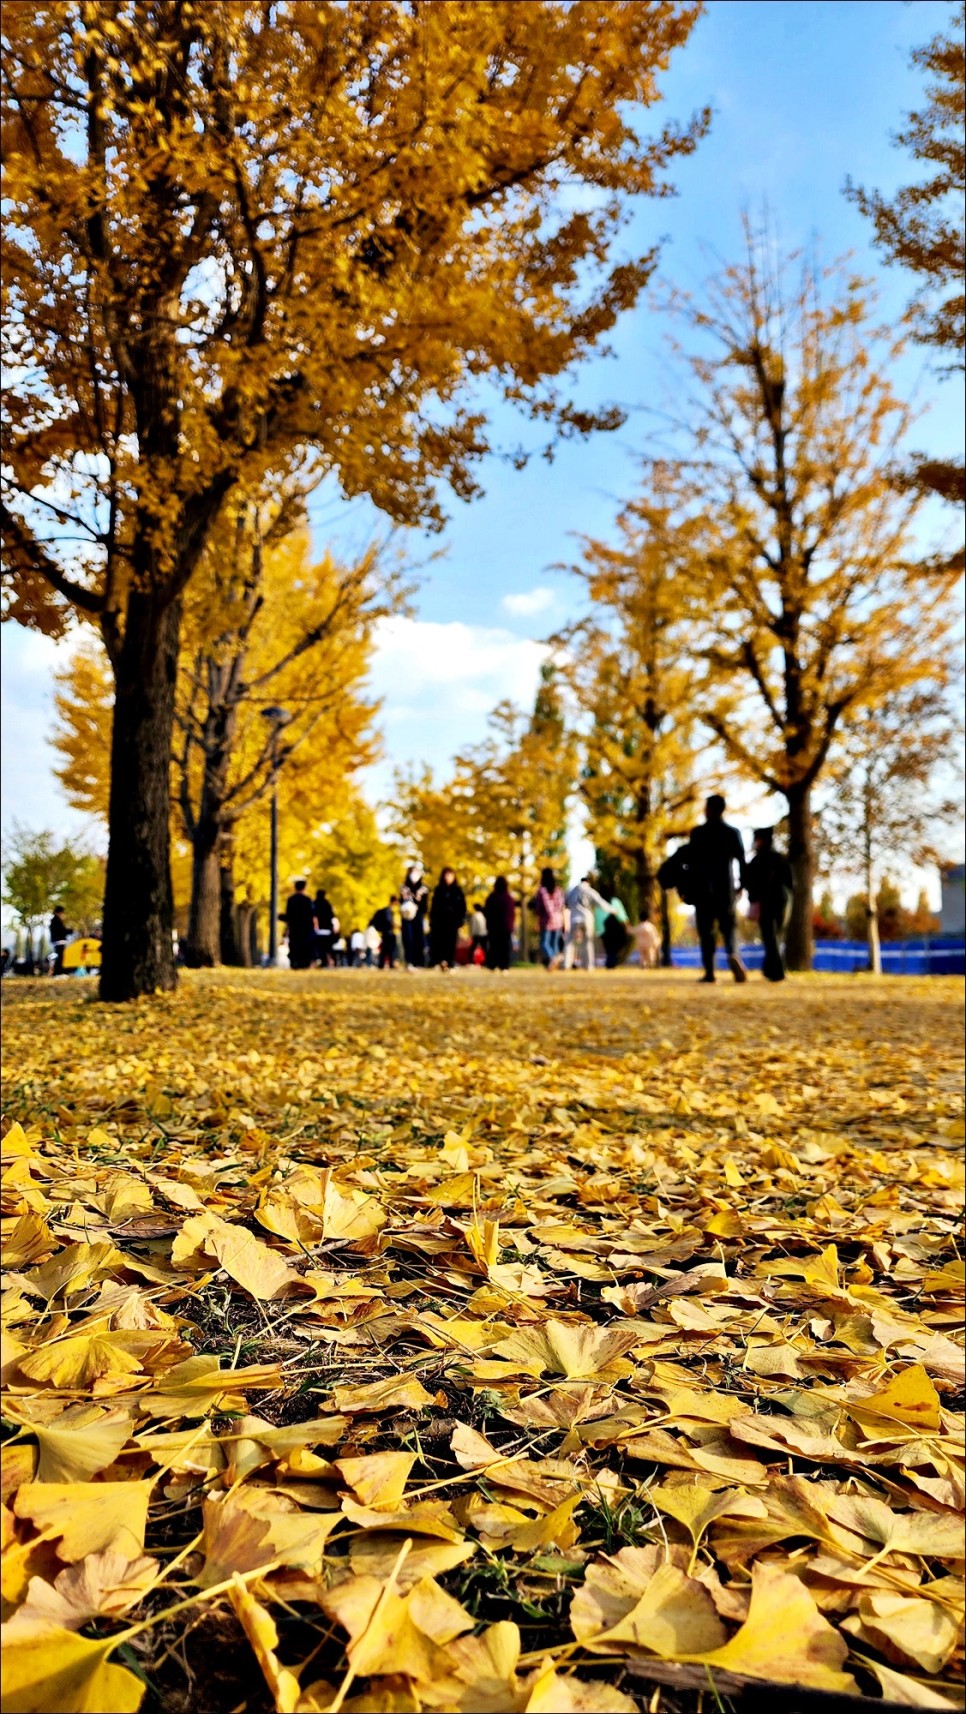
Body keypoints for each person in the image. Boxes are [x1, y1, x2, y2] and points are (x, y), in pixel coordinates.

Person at [686, 794, 748, 984]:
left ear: (709, 809)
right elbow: (742, 862)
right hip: (725, 888)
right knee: (728, 927)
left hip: (703, 889)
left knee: (706, 931)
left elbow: (690, 863)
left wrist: (688, 888)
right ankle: (732, 953)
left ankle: (710, 973)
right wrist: (741, 886)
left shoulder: (697, 833)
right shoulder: (732, 833)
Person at [745, 827, 793, 982]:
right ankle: (771, 969)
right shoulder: (780, 859)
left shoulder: (757, 861)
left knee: (769, 936)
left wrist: (753, 900)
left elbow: (750, 883)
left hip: (766, 903)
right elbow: (790, 882)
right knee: (774, 936)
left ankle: (776, 971)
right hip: (782, 901)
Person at [563, 875, 610, 970]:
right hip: (587, 918)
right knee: (588, 942)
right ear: (588, 882)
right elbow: (600, 902)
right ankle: (588, 965)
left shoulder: (572, 891)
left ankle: (566, 964)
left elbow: (565, 902)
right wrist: (612, 909)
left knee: (570, 942)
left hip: (574, 918)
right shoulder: (590, 891)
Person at [429, 867, 466, 969]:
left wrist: (461, 920)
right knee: (440, 941)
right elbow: (434, 906)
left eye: (451, 875)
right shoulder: (439, 890)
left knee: (451, 941)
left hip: (453, 921)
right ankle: (440, 960)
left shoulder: (458, 891)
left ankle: (450, 961)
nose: (448, 878)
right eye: (447, 875)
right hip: (440, 921)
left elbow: (462, 907)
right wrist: (432, 920)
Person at [532, 867, 566, 968]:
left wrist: (540, 919)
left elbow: (543, 906)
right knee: (553, 944)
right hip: (558, 919)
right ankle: (553, 965)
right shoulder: (558, 890)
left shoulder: (542, 890)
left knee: (544, 943)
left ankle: (552, 958)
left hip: (546, 920)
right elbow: (561, 905)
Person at [399, 864, 429, 969]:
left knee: (419, 938)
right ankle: (409, 961)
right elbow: (400, 902)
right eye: (412, 872)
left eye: (416, 872)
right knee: (408, 938)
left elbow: (425, 906)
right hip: (406, 917)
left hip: (419, 916)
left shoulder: (423, 888)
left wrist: (418, 900)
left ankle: (419, 962)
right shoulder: (403, 887)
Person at [484, 876, 516, 971]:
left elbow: (487, 912)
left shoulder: (492, 897)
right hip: (506, 927)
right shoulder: (509, 898)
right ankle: (504, 965)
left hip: (494, 927)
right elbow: (512, 914)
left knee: (494, 947)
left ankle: (492, 964)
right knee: (504, 947)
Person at [284, 879, 316, 970]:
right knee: (305, 945)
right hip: (306, 927)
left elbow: (288, 914)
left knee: (294, 945)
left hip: (294, 927)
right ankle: (304, 962)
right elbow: (312, 915)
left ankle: (294, 962)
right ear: (304, 887)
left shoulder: (291, 899)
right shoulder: (307, 900)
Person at [600, 894, 630, 968]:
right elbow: (622, 916)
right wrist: (627, 926)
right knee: (612, 951)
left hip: (606, 936)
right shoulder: (615, 902)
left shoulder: (606, 920)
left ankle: (610, 962)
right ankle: (611, 963)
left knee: (610, 951)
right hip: (614, 937)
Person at [370, 897, 399, 969]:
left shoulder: (388, 911)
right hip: (388, 933)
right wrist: (397, 926)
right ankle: (388, 964)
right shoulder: (388, 911)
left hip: (386, 933)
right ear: (394, 902)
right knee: (389, 949)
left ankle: (382, 964)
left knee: (385, 949)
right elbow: (389, 921)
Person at [313, 887, 336, 967]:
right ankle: (328, 961)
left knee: (319, 947)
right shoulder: (327, 904)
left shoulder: (314, 904)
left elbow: (313, 916)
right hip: (327, 929)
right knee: (327, 947)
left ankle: (322, 961)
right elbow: (332, 917)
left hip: (318, 929)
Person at [48, 907, 71, 976]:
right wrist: (70, 931)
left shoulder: (55, 920)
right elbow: (61, 931)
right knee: (60, 957)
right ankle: (58, 972)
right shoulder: (56, 920)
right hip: (59, 942)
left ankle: (57, 972)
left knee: (59, 957)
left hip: (58, 941)